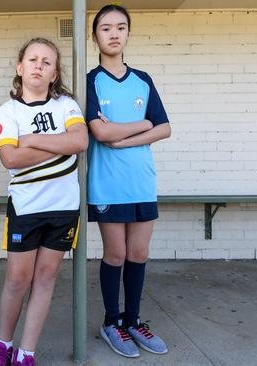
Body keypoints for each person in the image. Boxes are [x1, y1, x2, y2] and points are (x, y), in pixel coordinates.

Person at [0, 38, 88, 366]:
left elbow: (80, 140)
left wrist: (31, 139)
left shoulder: (67, 105)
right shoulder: (9, 109)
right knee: (17, 280)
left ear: (54, 73)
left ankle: (26, 354)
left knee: (45, 279)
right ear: (20, 68)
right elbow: (10, 158)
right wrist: (60, 144)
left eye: (46, 62)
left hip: (63, 208)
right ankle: (4, 346)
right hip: (27, 208)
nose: (38, 65)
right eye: (32, 59)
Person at [87, 4, 172, 358]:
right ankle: (111, 322)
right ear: (95, 36)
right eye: (106, 28)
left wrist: (122, 137)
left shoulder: (143, 80)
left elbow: (165, 127)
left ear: (128, 34)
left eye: (121, 27)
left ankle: (133, 321)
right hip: (107, 183)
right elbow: (100, 131)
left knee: (139, 253)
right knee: (116, 253)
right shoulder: (91, 80)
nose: (114, 33)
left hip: (141, 181)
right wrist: (141, 124)